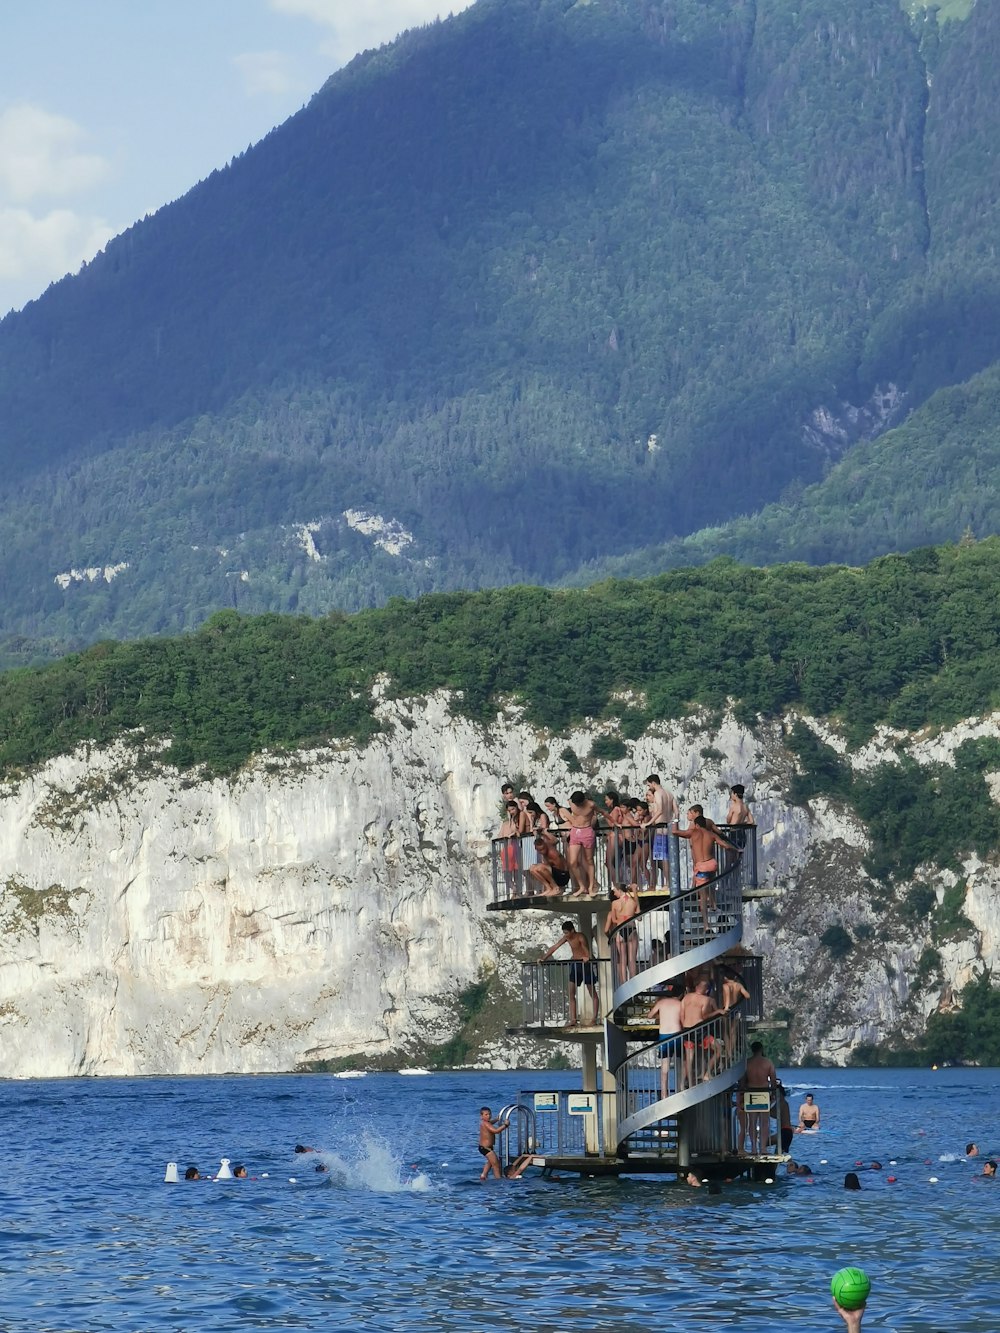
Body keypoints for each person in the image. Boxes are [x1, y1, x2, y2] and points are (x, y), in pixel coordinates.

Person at [673, 809, 741, 931]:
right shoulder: (711, 835)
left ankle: (706, 924)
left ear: (697, 825)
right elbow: (725, 845)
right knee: (711, 880)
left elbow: (675, 832)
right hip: (712, 864)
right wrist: (737, 850)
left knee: (702, 897)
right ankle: (714, 904)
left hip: (701, 866)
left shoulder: (693, 834)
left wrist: (675, 820)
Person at [538, 921, 600, 1027]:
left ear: (572, 930)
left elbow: (586, 949)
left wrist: (586, 957)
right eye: (564, 933)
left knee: (592, 992)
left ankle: (594, 1018)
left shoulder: (580, 937)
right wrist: (544, 958)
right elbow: (555, 947)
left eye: (567, 932)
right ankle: (573, 1020)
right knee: (571, 992)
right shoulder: (567, 938)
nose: (565, 935)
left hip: (585, 965)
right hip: (575, 965)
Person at [679, 977, 729, 1087]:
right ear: (706, 990)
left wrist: (684, 1027)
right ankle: (706, 1074)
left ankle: (683, 1084)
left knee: (689, 1058)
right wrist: (718, 1011)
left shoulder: (686, 997)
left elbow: (681, 1014)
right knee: (718, 1049)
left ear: (696, 987)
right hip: (699, 1029)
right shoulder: (705, 1000)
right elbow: (704, 1016)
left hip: (687, 1029)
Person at [648, 982, 683, 1100]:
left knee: (664, 1066)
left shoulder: (661, 1003)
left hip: (664, 1035)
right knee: (680, 1063)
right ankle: (680, 1089)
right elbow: (682, 1019)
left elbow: (650, 1015)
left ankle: (664, 1094)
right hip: (677, 1034)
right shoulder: (680, 1004)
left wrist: (660, 1016)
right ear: (681, 994)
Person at [741, 1041, 778, 1153]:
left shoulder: (747, 1063)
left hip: (750, 1093)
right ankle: (762, 1148)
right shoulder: (768, 1062)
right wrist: (773, 1094)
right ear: (761, 1049)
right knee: (764, 1122)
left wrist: (742, 1096)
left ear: (752, 1050)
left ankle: (753, 1148)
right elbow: (773, 1080)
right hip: (764, 1092)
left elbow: (742, 1082)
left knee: (752, 1122)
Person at [644, 774, 678, 890]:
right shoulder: (669, 793)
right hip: (668, 827)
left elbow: (660, 810)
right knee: (666, 858)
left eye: (649, 784)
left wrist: (649, 823)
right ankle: (669, 882)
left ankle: (667, 884)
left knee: (664, 858)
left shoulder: (658, 793)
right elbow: (676, 812)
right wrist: (675, 823)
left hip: (660, 828)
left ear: (653, 783)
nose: (649, 786)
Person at [564, 790, 600, 897]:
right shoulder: (573, 804)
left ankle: (592, 885)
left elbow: (592, 823)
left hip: (587, 835)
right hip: (577, 834)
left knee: (587, 861)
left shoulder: (591, 811)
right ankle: (584, 886)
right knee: (576, 862)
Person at [605, 882, 639, 981]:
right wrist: (635, 892)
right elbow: (638, 914)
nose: (614, 894)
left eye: (615, 891)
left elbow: (614, 920)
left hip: (620, 930)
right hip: (631, 929)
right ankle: (633, 984)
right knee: (632, 960)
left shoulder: (615, 903)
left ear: (619, 890)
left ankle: (624, 984)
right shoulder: (632, 902)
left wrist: (622, 919)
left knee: (623, 960)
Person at [526, 833, 572, 897]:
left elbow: (562, 870)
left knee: (540, 868)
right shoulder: (548, 844)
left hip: (562, 876)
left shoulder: (552, 854)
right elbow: (555, 840)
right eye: (540, 850)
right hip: (555, 873)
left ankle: (556, 888)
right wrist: (544, 831)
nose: (542, 851)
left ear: (545, 845)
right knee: (532, 868)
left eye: (543, 849)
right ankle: (548, 888)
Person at [478, 1106, 509, 1180]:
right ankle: (498, 1180)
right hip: (485, 1148)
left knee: (490, 1162)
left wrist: (497, 1119)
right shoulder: (485, 1123)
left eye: (489, 1114)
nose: (488, 1116)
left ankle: (483, 1175)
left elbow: (491, 1122)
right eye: (486, 1115)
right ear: (481, 1116)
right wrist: (505, 1125)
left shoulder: (486, 1123)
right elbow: (496, 1131)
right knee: (496, 1164)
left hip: (486, 1147)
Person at [776, 1083, 794, 1153]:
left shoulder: (782, 1103)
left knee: (765, 1142)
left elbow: (774, 1114)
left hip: (785, 1132)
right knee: (780, 1151)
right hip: (788, 1132)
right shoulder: (784, 1103)